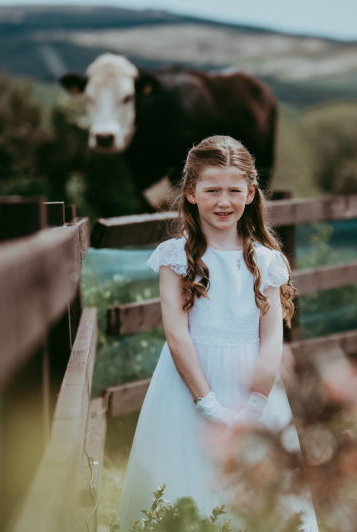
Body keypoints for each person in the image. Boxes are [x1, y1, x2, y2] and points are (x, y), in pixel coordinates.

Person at [116, 135, 318, 531]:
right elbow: (177, 336)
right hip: (188, 387)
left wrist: (255, 405)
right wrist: (208, 405)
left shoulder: (267, 261)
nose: (223, 201)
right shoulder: (176, 257)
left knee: (258, 489)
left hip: (253, 388)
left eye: (233, 190)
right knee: (185, 479)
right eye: (212, 190)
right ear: (190, 193)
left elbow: (272, 338)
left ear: (250, 193)